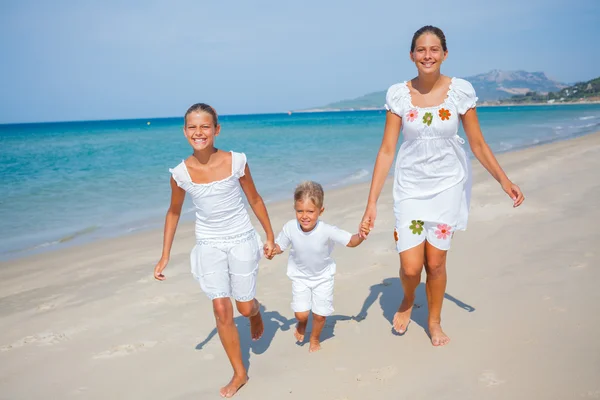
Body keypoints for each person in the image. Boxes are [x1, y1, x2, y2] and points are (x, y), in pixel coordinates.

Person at [359, 26, 524, 347]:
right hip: (410, 190)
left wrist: (505, 180)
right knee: (410, 267)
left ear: (445, 54)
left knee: (435, 263)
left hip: (447, 188)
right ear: (411, 55)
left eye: (434, 50)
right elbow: (387, 150)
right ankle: (407, 299)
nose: (427, 56)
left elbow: (476, 143)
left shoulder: (460, 91)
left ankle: (433, 322)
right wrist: (371, 202)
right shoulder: (399, 95)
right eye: (421, 50)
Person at [153, 103, 276, 398]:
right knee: (221, 308)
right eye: (192, 127)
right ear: (184, 132)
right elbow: (173, 212)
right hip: (208, 243)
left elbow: (255, 199)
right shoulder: (180, 173)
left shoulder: (236, 162)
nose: (199, 132)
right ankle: (239, 372)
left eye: (205, 126)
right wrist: (165, 255)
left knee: (243, 307)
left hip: (241, 238)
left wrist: (269, 236)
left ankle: (255, 311)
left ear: (216, 130)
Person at [269, 181, 369, 352]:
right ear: (294, 209)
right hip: (300, 277)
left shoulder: (326, 230)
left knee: (320, 315)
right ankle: (302, 323)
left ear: (320, 211)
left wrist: (362, 234)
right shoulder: (290, 228)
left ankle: (314, 338)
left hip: (323, 278)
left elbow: (351, 242)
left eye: (310, 211)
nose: (304, 216)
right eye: (300, 211)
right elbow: (280, 246)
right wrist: (272, 250)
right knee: (301, 314)